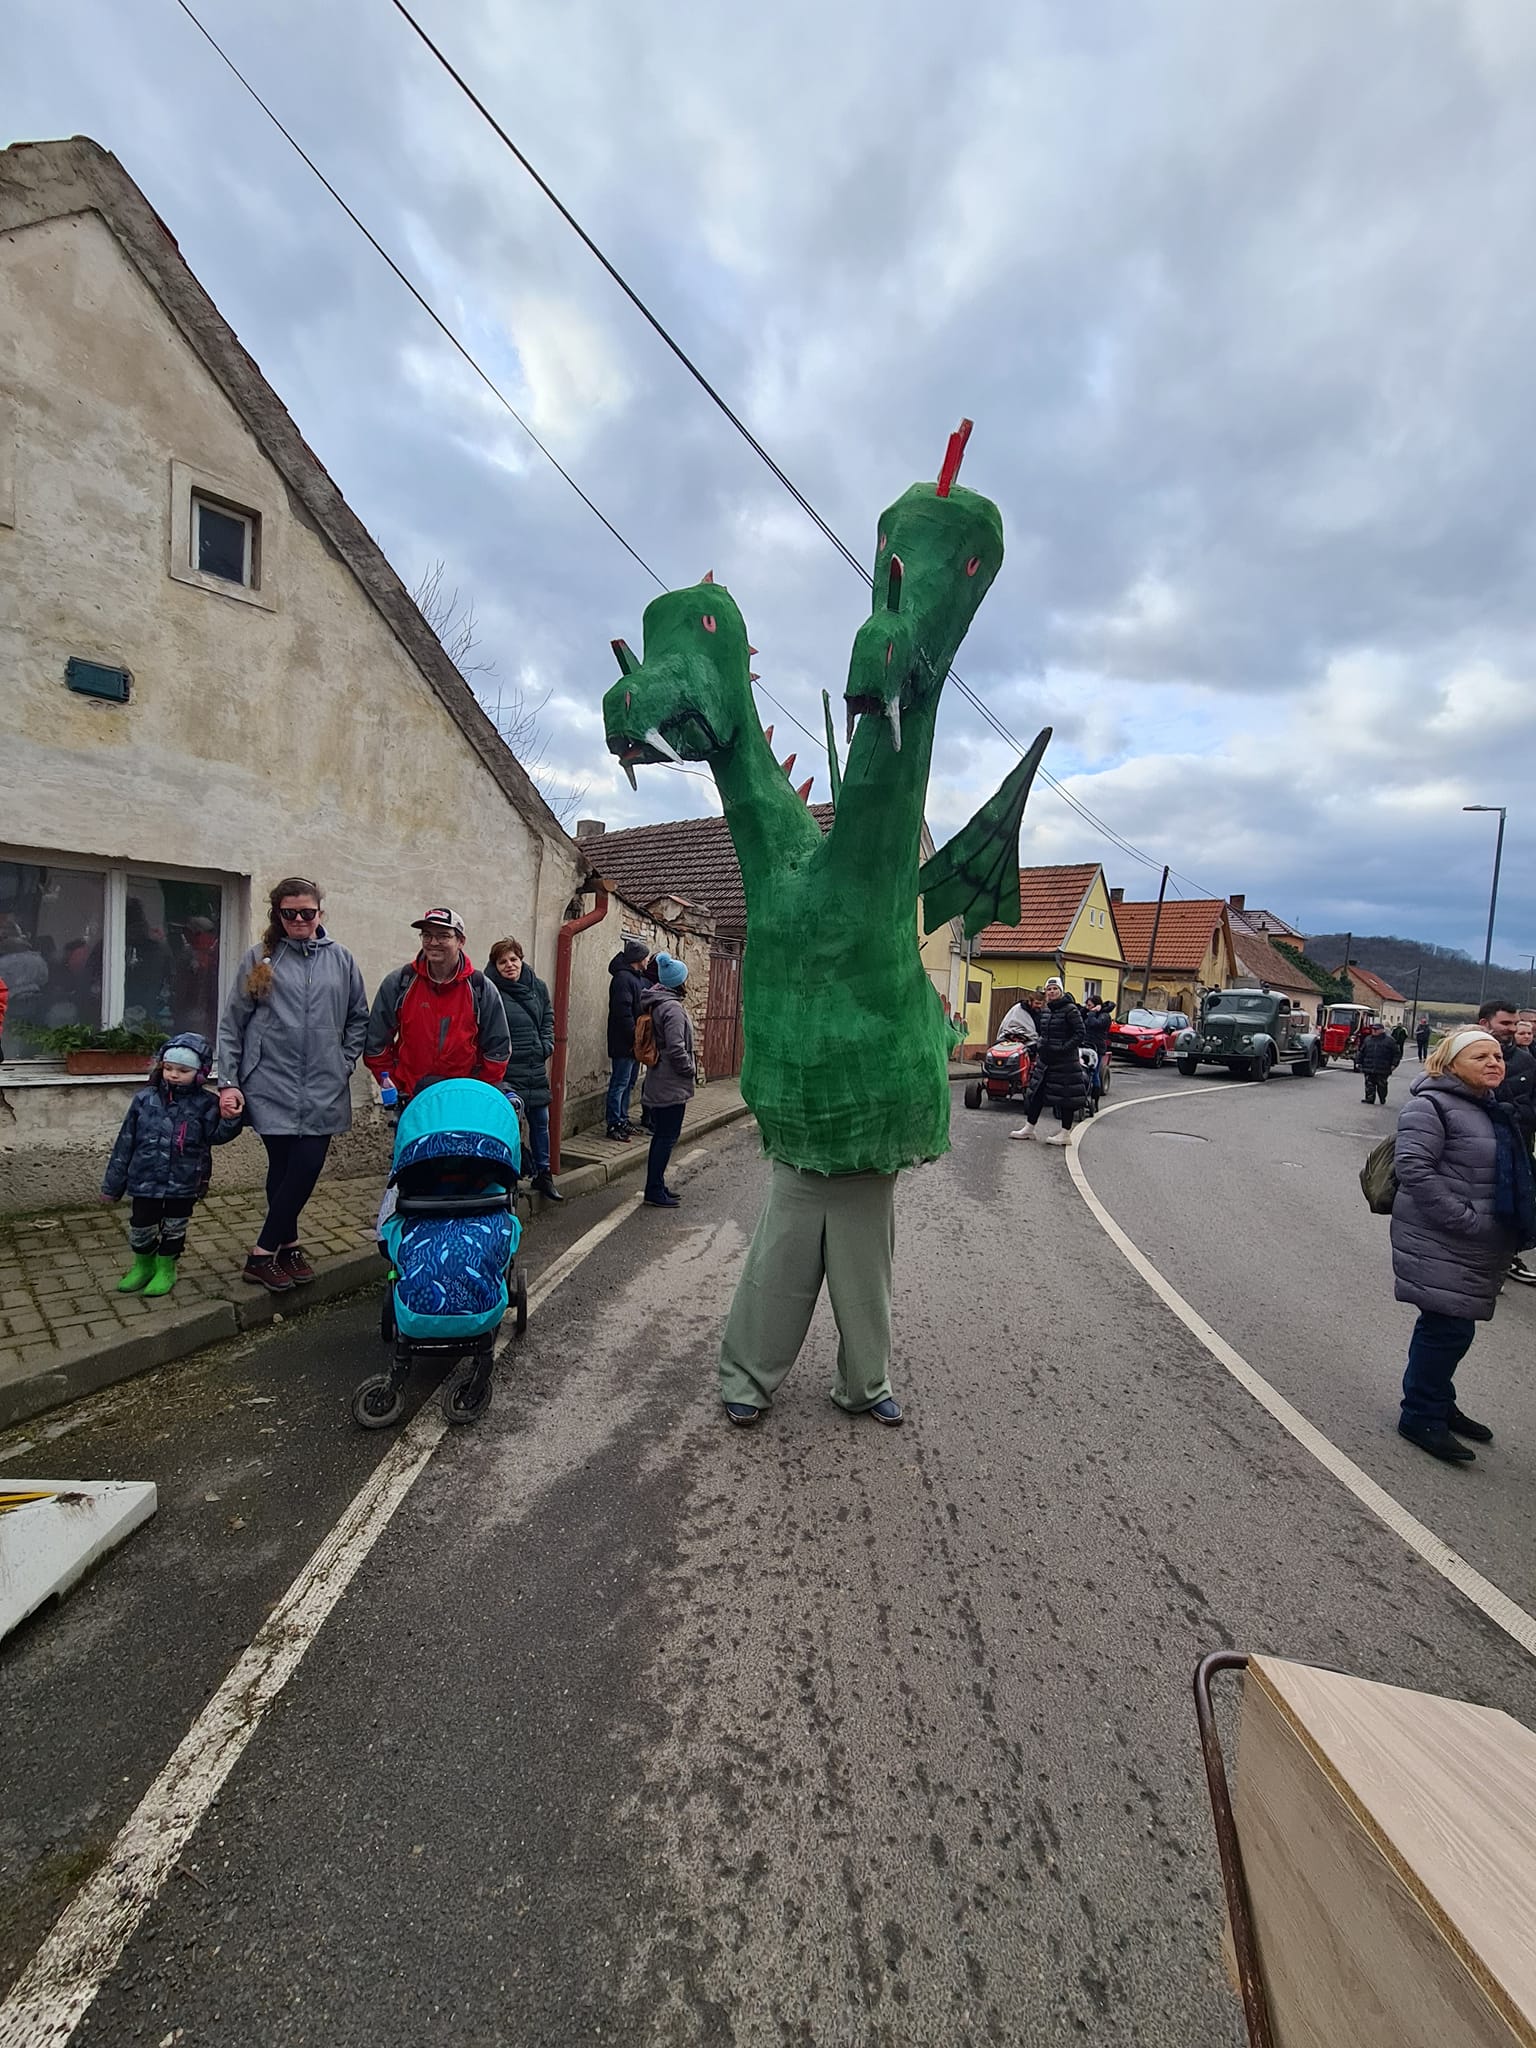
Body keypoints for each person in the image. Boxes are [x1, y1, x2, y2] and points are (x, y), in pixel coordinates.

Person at [217, 877, 370, 1295]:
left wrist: (343, 1061)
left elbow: (359, 1016)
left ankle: (265, 1251)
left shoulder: (341, 960)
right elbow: (232, 1025)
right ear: (278, 915)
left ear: (320, 913)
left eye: (307, 912)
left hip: (324, 1081)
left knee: (306, 1164)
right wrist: (228, 1082)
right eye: (290, 913)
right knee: (283, 1168)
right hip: (269, 1082)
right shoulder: (260, 958)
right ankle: (284, 1247)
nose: (299, 919)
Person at [1391, 1026, 1535, 1463]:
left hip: (1477, 1240)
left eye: (1497, 1056)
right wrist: (1466, 1220)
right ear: (1450, 1064)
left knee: (1453, 1328)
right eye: (1481, 1057)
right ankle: (1420, 1415)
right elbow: (1414, 1168)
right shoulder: (1431, 1105)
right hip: (1444, 1237)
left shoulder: (1487, 1106)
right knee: (1446, 1328)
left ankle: (1437, 1401)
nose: (1495, 1063)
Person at [100, 1033, 243, 1297]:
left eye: (183, 1070)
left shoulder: (206, 1104)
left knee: (174, 1227)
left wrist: (231, 1118)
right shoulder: (144, 1099)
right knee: (141, 1226)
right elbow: (125, 1143)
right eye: (168, 1068)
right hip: (144, 1180)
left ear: (199, 1073)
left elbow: (217, 1135)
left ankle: (167, 1268)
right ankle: (143, 1265)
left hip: (184, 1181)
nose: (174, 1075)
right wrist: (113, 1185)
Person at [364, 908, 510, 1115]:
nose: (433, 942)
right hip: (411, 1099)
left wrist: (478, 1090)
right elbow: (375, 1043)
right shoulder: (399, 983)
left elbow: (499, 1048)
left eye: (443, 936)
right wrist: (393, 1081)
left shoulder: (480, 988)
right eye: (427, 935)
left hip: (462, 1101)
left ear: (461, 941)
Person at [487, 935, 560, 1201]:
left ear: (521, 960)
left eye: (513, 959)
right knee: (509, 1125)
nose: (509, 965)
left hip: (534, 1066)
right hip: (506, 1071)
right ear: (495, 965)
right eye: (502, 961)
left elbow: (548, 1016)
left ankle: (544, 1174)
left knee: (541, 1122)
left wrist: (546, 1045)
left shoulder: (537, 987)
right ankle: (511, 1177)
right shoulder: (489, 989)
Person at [1477, 997, 1536, 1284]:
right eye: (1505, 1023)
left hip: (1515, 1149)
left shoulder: (1526, 1062)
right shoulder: (1465, 1057)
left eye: (1515, 1024)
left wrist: (1519, 1114)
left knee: (1509, 1210)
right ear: (1484, 1024)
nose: (1512, 1029)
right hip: (1475, 1151)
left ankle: (1504, 1262)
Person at [637, 952, 696, 1208]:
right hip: (670, 1083)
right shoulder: (671, 1008)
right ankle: (653, 1189)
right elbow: (675, 1047)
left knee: (662, 1135)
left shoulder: (659, 1003)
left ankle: (657, 1185)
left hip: (660, 1080)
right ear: (678, 982)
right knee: (666, 1137)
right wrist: (689, 1069)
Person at [1009, 978, 1086, 1145]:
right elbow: (1043, 1033)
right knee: (1036, 1093)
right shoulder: (1046, 1011)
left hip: (1065, 1063)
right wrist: (1039, 1045)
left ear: (1061, 991)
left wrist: (1063, 1048)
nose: (1051, 992)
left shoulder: (1070, 1010)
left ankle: (1065, 1133)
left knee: (1066, 1097)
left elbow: (1080, 1033)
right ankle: (1029, 1128)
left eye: (1055, 989)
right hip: (1046, 1061)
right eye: (1049, 989)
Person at [604, 937, 652, 1141]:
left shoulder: (636, 978)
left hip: (633, 1043)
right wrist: (635, 1037)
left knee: (629, 1082)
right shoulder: (623, 979)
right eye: (646, 957)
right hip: (624, 1042)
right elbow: (623, 1013)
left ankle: (623, 1119)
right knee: (619, 1083)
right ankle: (614, 1123)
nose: (648, 961)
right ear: (638, 958)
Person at [1358, 1021, 1400, 1106]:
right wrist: (1358, 1061)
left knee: (1382, 1085)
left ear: (1382, 1030)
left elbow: (1396, 1053)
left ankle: (1382, 1097)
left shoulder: (1389, 1041)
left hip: (1383, 1068)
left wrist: (1394, 1064)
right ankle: (1369, 1098)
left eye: (1376, 1029)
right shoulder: (1368, 1039)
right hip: (1369, 1066)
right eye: (1373, 1029)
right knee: (1369, 1084)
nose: (1374, 1031)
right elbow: (1362, 1051)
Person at [1081, 993, 1112, 1105]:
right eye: (1087, 1005)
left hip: (1097, 1047)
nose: (1088, 1007)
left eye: (1089, 1005)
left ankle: (1095, 1100)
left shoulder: (1104, 1016)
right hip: (1085, 1045)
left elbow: (1093, 1024)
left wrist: (1092, 1013)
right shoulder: (1089, 1013)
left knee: (1094, 1073)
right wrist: (1085, 1010)